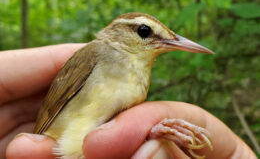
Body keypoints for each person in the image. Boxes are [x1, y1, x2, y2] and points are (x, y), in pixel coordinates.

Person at [0, 44, 256, 159]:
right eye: (144, 32)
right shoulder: (92, 55)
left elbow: (109, 131)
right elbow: (50, 113)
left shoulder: (139, 77)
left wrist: (153, 133)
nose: (156, 40)